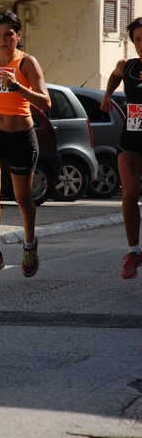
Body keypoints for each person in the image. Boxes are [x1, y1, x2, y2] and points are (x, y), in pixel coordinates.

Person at [0, 10, 51, 279]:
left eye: (7, 34)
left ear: (18, 35)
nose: (2, 40)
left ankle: (29, 245)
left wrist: (18, 88)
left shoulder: (27, 63)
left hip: (20, 137)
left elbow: (46, 103)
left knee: (23, 198)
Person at [101, 17, 142, 279]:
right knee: (129, 193)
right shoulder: (126, 66)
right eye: (137, 40)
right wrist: (106, 95)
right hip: (132, 140)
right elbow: (115, 77)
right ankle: (134, 251)